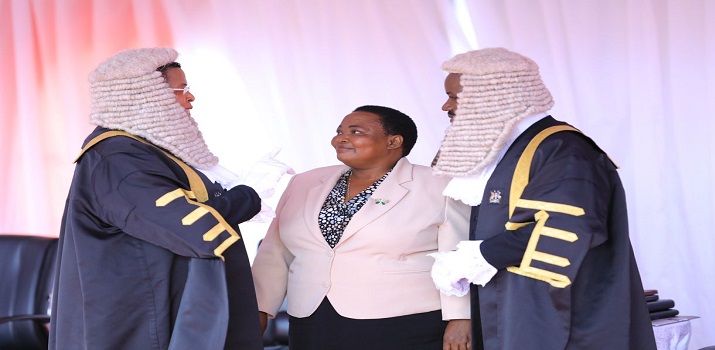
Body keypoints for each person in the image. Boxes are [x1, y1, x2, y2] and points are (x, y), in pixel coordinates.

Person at [49, 47, 285, 350]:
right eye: (181, 89)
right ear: (146, 97)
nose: (190, 98)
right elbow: (187, 224)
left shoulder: (143, 150)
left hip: (159, 297)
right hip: (141, 312)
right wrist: (247, 193)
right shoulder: (118, 156)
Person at [429, 47, 657, 349]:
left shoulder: (564, 150)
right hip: (512, 303)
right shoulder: (512, 149)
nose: (446, 106)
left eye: (455, 97)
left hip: (560, 312)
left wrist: (479, 257)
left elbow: (565, 228)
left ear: (494, 97)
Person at [252, 105, 472, 349]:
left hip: (402, 320)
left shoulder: (439, 184)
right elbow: (274, 253)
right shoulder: (304, 182)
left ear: (394, 141)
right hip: (312, 318)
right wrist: (257, 310)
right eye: (339, 131)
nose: (341, 138)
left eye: (356, 132)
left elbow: (458, 256)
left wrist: (461, 318)